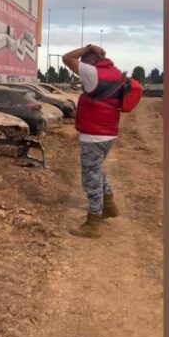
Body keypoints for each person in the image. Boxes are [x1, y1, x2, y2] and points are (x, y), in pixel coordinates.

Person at [62, 43, 123, 238]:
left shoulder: (91, 72)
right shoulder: (114, 72)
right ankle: (110, 206)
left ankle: (93, 223)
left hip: (94, 135)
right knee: (96, 171)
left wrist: (88, 47)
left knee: (90, 179)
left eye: (83, 61)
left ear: (89, 61)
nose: (80, 66)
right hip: (109, 133)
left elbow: (66, 58)